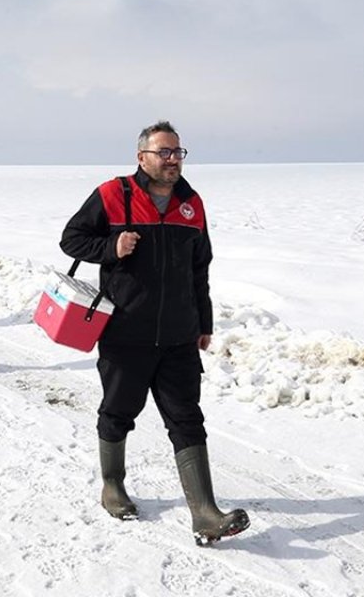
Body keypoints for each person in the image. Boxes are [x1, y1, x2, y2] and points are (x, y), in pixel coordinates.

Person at [59, 120, 248, 546]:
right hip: (126, 332)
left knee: (187, 419)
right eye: (164, 152)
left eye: (178, 152)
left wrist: (203, 323)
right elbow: (71, 239)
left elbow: (200, 268)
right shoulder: (113, 194)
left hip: (180, 335)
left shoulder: (191, 203)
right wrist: (110, 248)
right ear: (141, 156)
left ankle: (204, 512)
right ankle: (113, 485)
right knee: (119, 411)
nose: (172, 160)